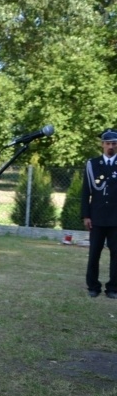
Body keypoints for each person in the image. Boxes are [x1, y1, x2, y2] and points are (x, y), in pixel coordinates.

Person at [82, 128, 117, 298]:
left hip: (116, 218)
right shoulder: (92, 164)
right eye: (108, 143)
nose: (111, 146)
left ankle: (113, 288)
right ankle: (93, 286)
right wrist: (86, 215)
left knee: (116, 254)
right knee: (94, 253)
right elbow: (85, 192)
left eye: (114, 143)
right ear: (102, 145)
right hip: (96, 217)